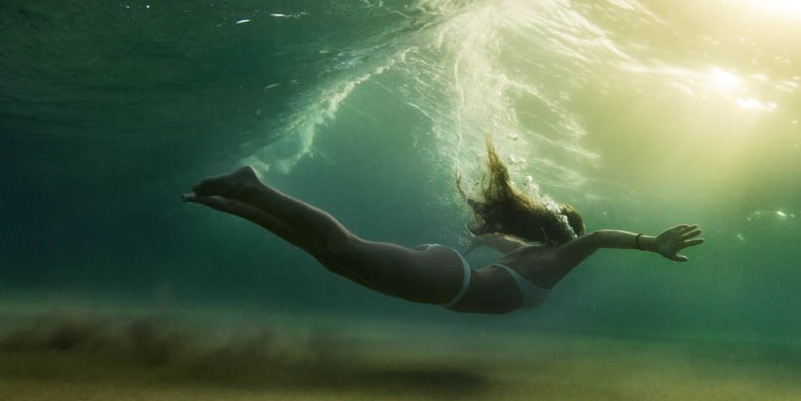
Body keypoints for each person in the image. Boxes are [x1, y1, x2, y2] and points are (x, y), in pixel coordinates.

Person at [183, 141, 705, 314]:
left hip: (445, 280)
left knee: (332, 256)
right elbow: (593, 239)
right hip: (448, 281)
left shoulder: (529, 251)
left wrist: (481, 239)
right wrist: (648, 243)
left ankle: (237, 206)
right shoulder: (561, 252)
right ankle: (252, 187)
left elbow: (495, 240)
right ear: (564, 234)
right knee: (343, 247)